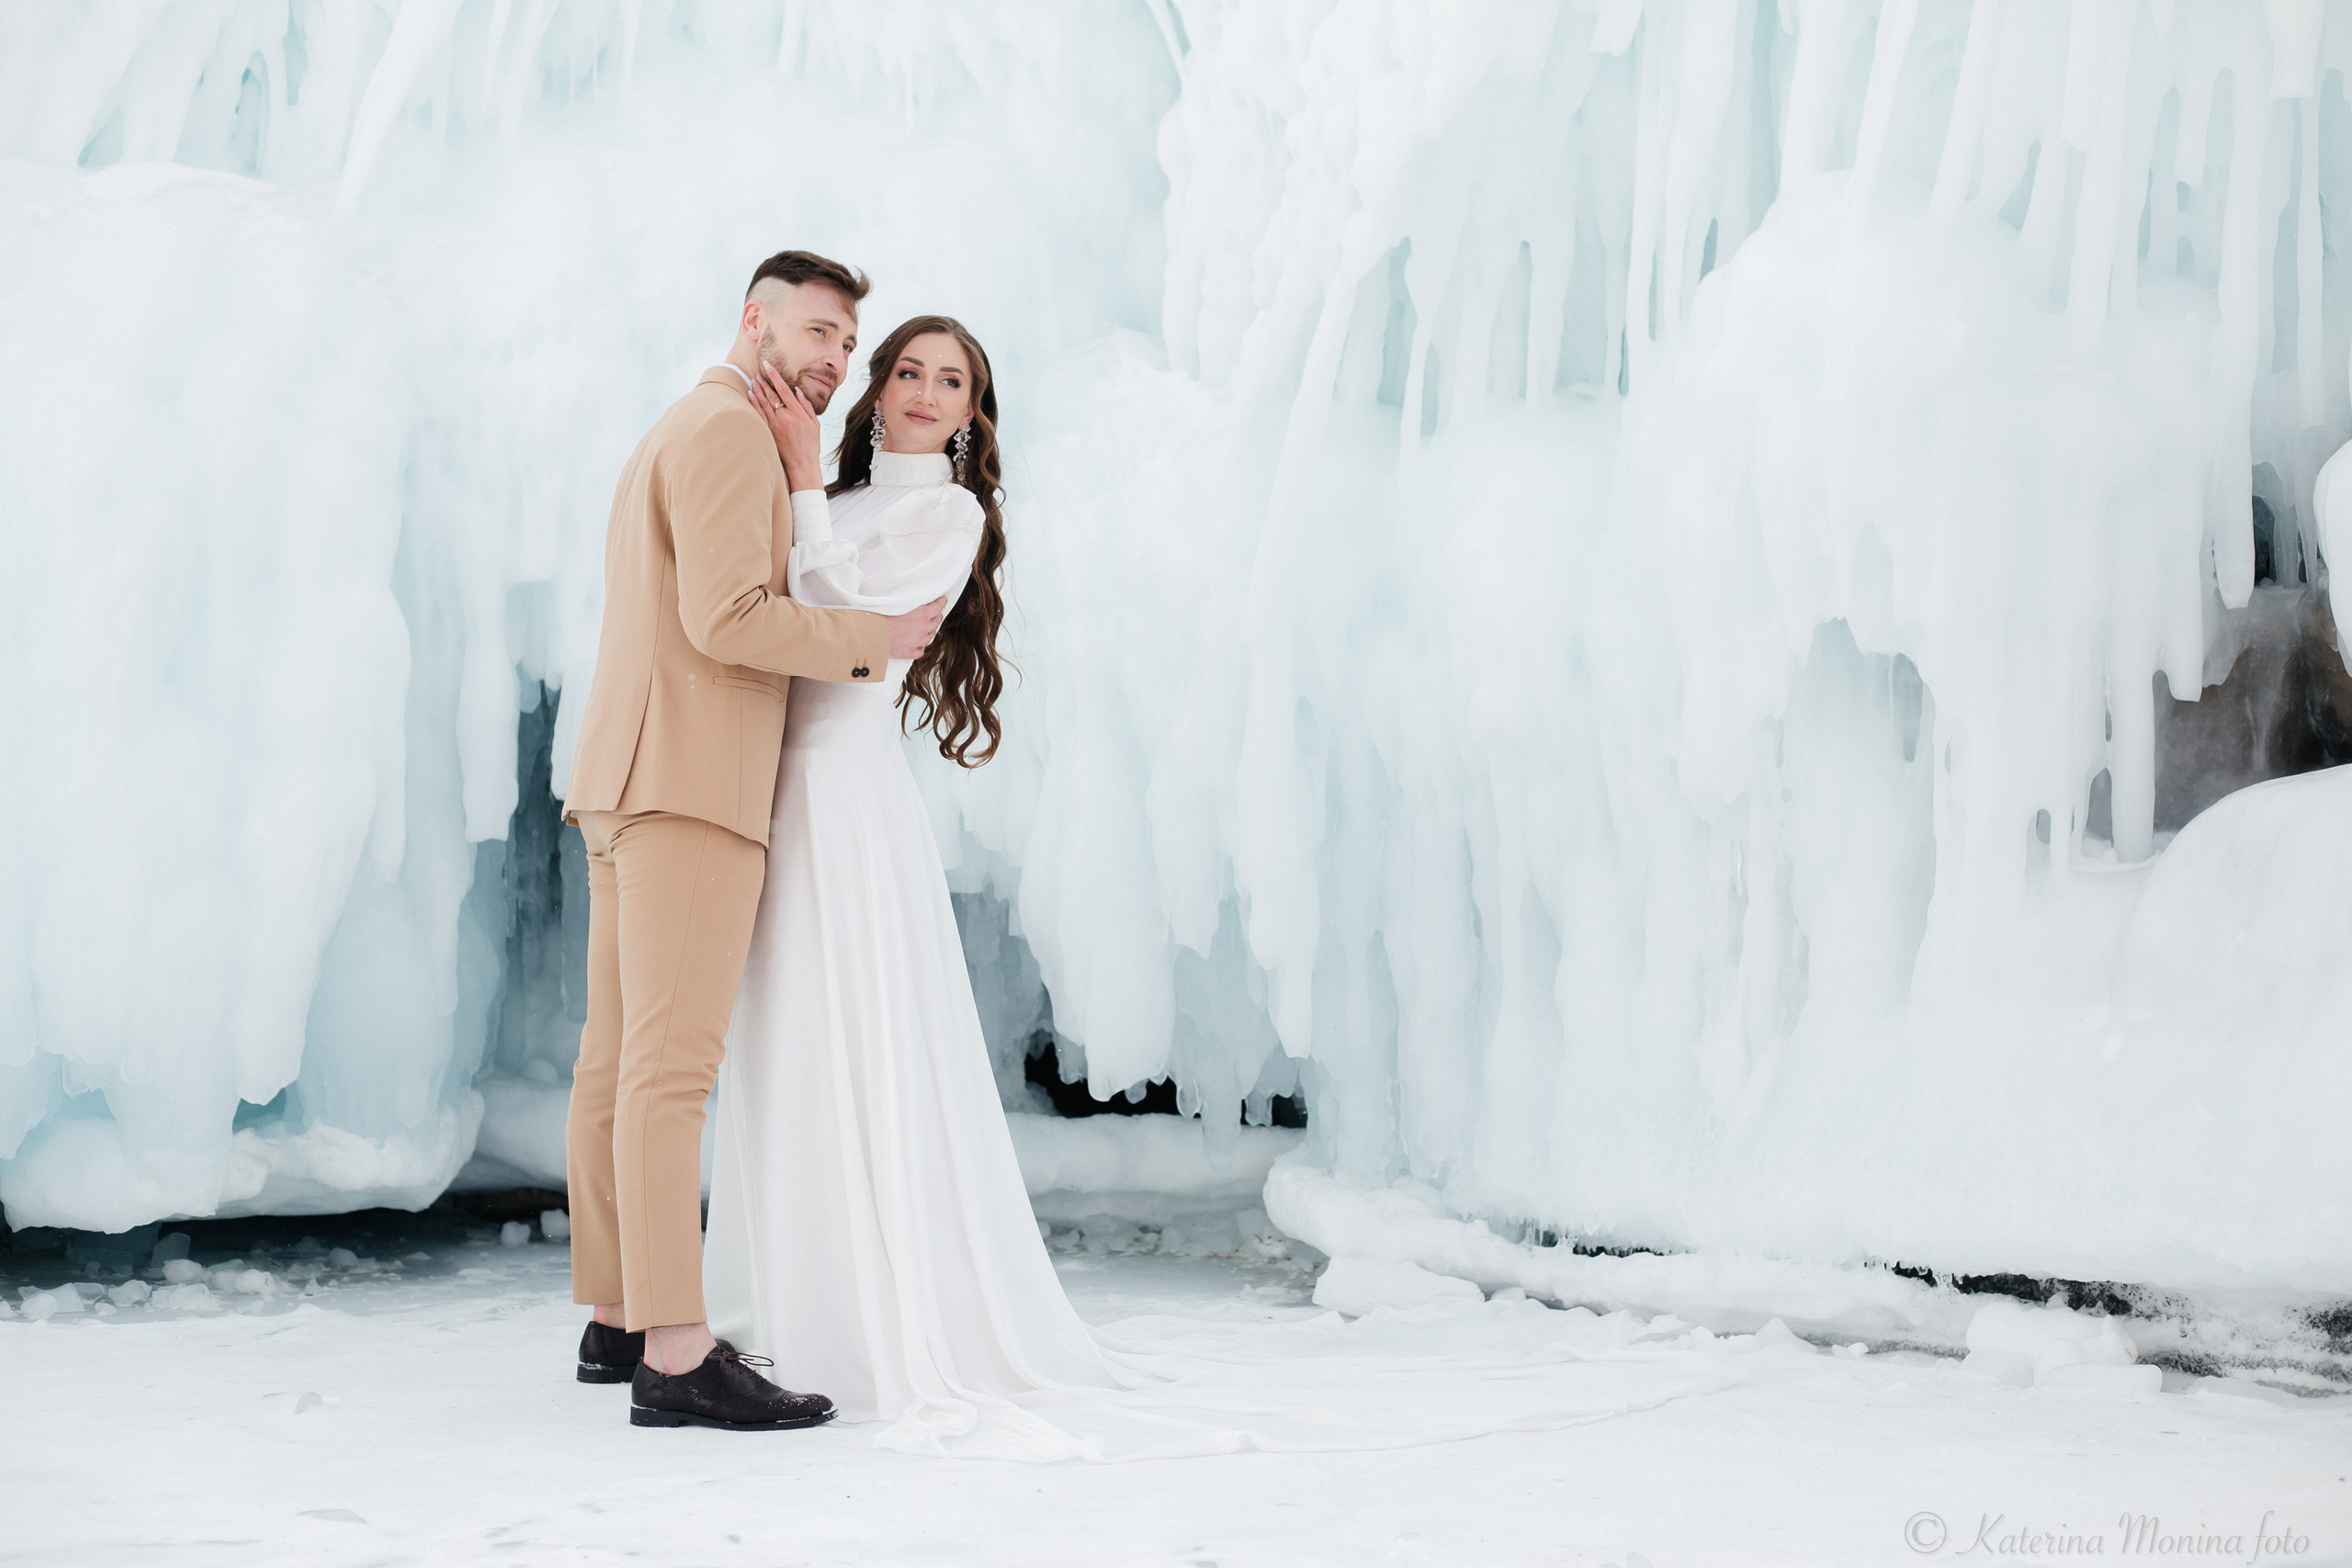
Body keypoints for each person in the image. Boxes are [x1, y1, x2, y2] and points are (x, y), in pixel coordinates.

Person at [559, 250, 948, 1433]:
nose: (835, 360)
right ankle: (678, 1353)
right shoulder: (730, 431)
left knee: (617, 1064)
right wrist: (872, 637)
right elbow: (725, 619)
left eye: (846, 344)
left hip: (626, 775)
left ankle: (619, 1314)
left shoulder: (677, 424)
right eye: (819, 332)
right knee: (670, 1071)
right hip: (690, 782)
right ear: (754, 320)